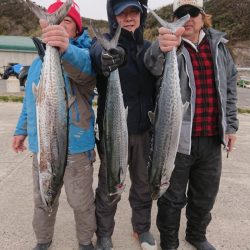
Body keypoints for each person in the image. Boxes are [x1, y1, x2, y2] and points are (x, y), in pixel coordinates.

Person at [144, 0, 239, 249]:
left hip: (211, 138)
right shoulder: (169, 46)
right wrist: (161, 45)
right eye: (180, 13)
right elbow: (151, 65)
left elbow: (230, 88)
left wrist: (230, 127)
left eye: (192, 12)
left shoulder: (220, 47)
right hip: (177, 140)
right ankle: (169, 242)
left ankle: (196, 235)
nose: (187, 18)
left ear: (203, 16)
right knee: (171, 198)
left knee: (205, 196)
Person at [12, 1, 96, 250]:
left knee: (81, 202)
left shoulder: (85, 55)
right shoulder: (39, 62)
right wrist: (21, 130)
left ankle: (84, 242)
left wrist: (65, 48)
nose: (60, 25)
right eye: (55, 21)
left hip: (78, 149)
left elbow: (86, 71)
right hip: (42, 147)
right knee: (42, 200)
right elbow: (31, 100)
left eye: (67, 21)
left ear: (77, 31)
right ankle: (43, 240)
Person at [90, 0, 158, 249]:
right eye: (122, 14)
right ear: (114, 17)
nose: (129, 18)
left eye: (134, 13)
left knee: (142, 186)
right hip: (113, 133)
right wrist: (109, 54)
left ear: (141, 16)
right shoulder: (103, 44)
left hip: (143, 132)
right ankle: (104, 234)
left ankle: (142, 229)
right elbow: (97, 54)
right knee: (109, 186)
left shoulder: (149, 49)